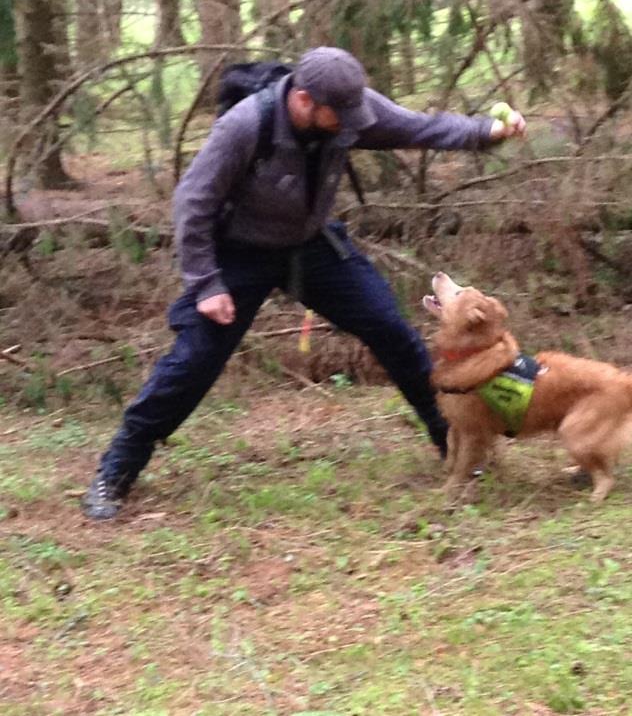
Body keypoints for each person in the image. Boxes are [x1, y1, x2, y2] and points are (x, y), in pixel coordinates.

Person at [82, 46, 526, 519]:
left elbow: (419, 126)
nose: (354, 124)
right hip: (237, 255)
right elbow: (192, 202)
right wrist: (206, 284)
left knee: (390, 330)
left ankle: (453, 447)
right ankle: (116, 472)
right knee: (194, 362)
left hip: (311, 247)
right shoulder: (244, 126)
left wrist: (487, 131)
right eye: (341, 115)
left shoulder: (348, 108)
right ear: (303, 101)